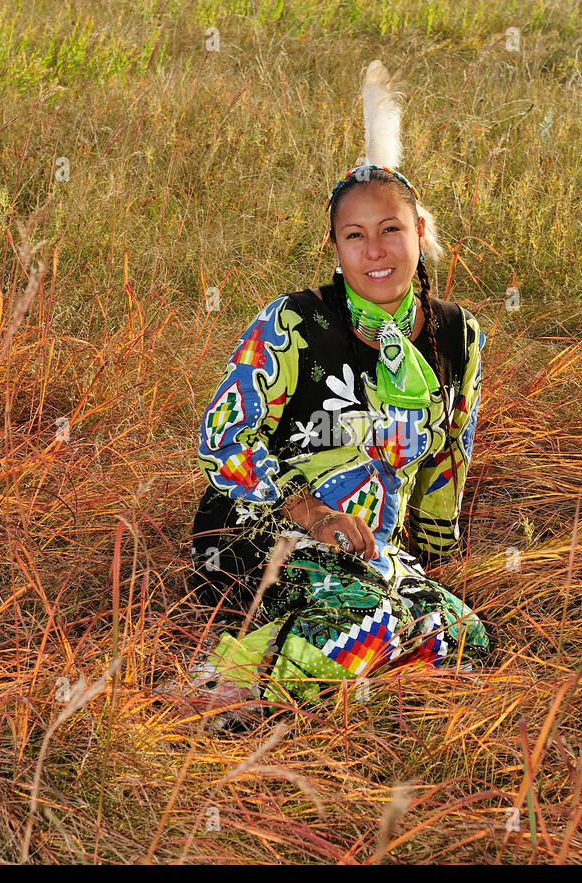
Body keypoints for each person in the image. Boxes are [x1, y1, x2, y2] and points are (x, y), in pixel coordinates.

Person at [185, 62, 489, 714]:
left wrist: (432, 561)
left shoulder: (455, 336)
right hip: (262, 531)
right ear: (335, 246)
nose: (375, 251)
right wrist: (311, 511)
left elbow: (446, 460)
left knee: (463, 637)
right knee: (372, 622)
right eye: (355, 235)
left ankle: (317, 666)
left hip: (371, 548)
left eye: (391, 230)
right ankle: (225, 688)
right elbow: (222, 436)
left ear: (421, 235)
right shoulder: (294, 323)